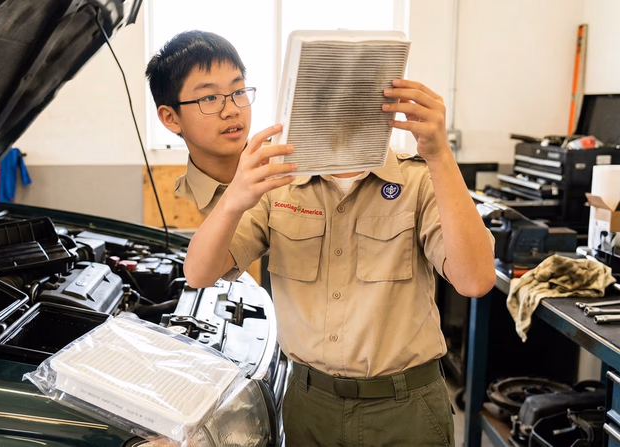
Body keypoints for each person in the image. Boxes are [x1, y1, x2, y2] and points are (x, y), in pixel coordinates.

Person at [182, 69, 497, 445]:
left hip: (405, 410)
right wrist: (234, 197)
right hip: (309, 406)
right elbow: (199, 273)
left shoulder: (418, 180)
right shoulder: (277, 187)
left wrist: (440, 155)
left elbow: (476, 280)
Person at [145, 30, 253, 217]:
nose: (232, 110)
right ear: (170, 118)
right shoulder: (171, 208)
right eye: (210, 97)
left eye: (239, 92)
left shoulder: (289, 180)